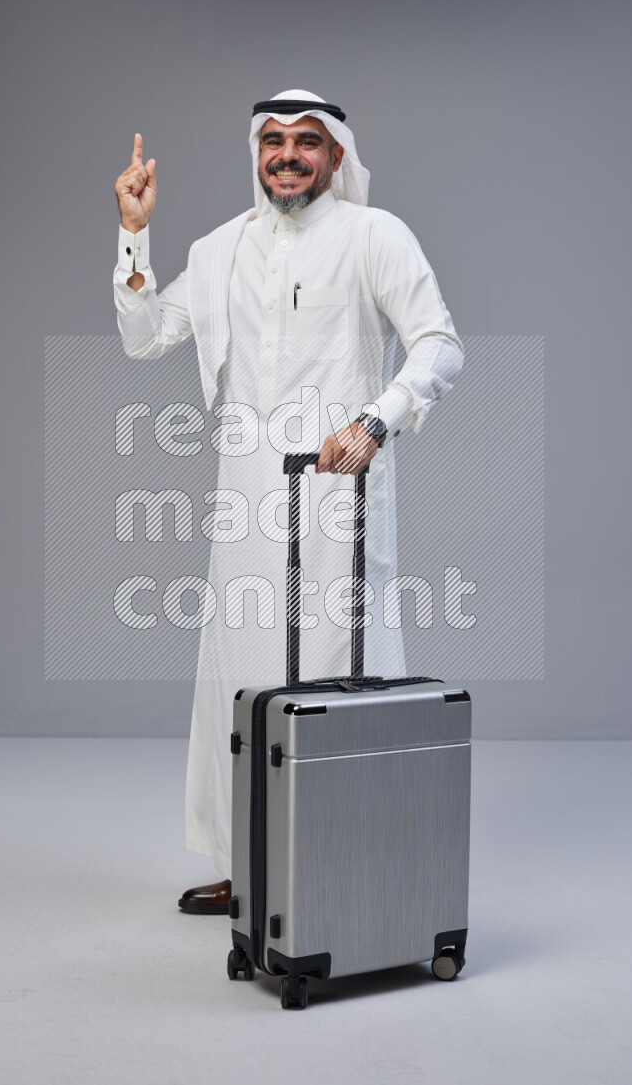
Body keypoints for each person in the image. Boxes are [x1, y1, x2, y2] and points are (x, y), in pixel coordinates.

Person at [113, 89, 464, 914]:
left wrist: (379, 419)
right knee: (242, 678)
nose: (289, 155)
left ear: (337, 156)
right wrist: (134, 230)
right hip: (244, 507)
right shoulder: (220, 250)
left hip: (339, 498)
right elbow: (142, 335)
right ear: (256, 152)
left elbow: (441, 345)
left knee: (345, 676)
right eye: (274, 141)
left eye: (308, 141)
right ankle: (252, 867)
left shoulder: (374, 236)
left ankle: (346, 869)